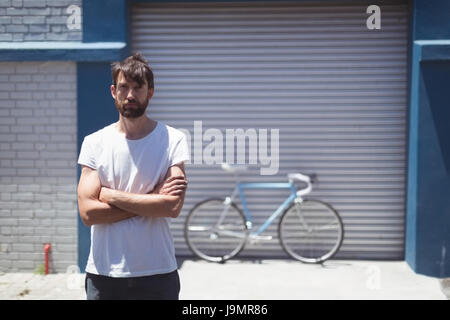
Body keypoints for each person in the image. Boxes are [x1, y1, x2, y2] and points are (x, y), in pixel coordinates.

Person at [77, 53, 189, 300]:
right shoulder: (94, 143)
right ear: (112, 91)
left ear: (150, 92)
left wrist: (110, 195)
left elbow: (171, 206)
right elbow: (88, 213)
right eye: (124, 87)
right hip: (105, 275)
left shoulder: (173, 140)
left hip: (158, 274)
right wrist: (151, 201)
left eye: (138, 88)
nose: (130, 95)